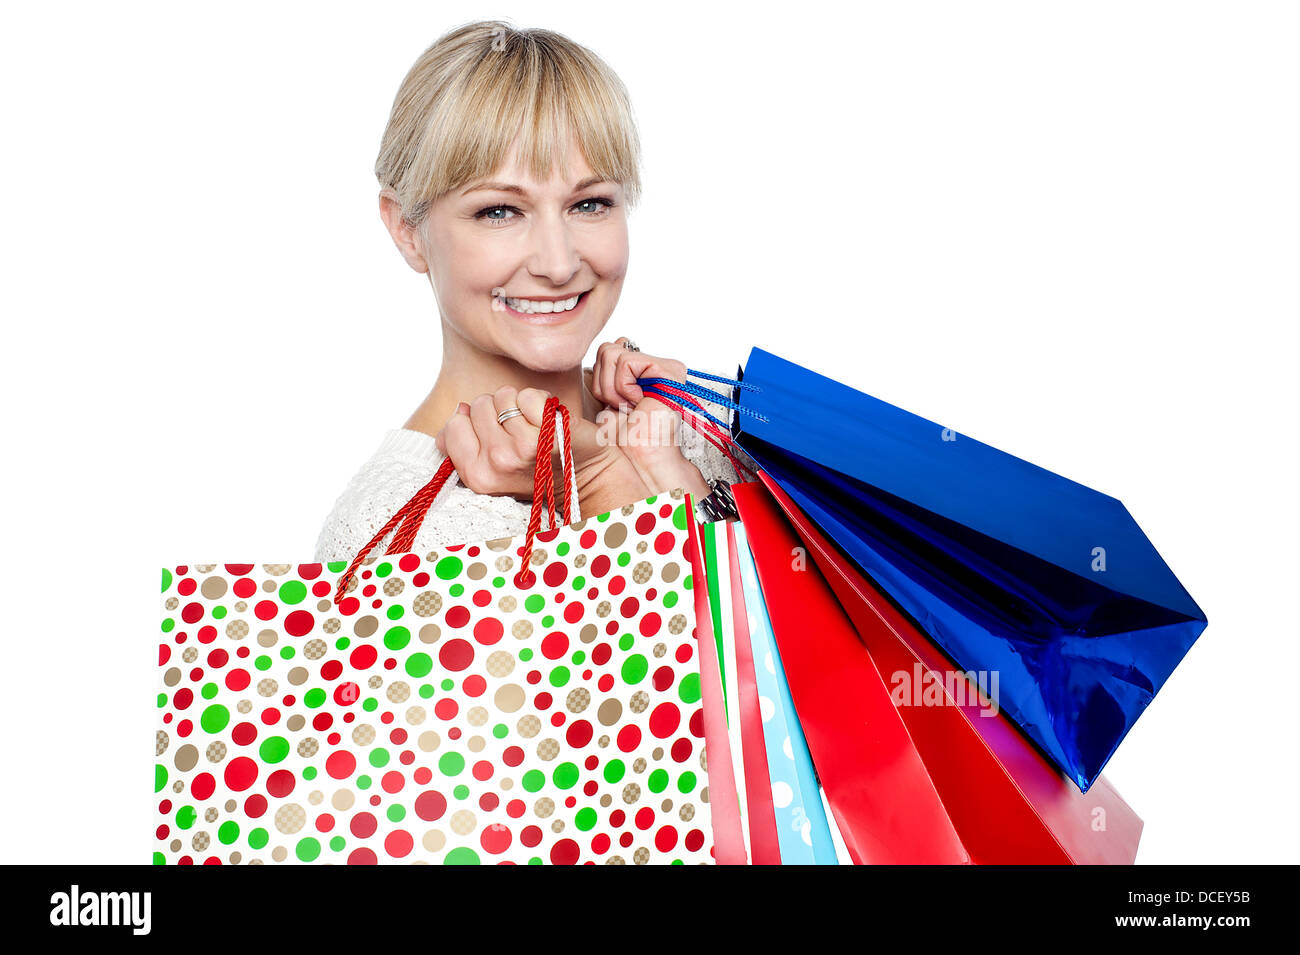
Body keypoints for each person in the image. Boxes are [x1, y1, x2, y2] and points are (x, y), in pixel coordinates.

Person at [314, 21, 739, 564]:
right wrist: (600, 483)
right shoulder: (391, 532)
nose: (558, 264)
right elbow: (694, 646)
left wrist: (672, 469)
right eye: (499, 211)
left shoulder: (692, 435)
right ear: (406, 229)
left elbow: (807, 640)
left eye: (590, 204)